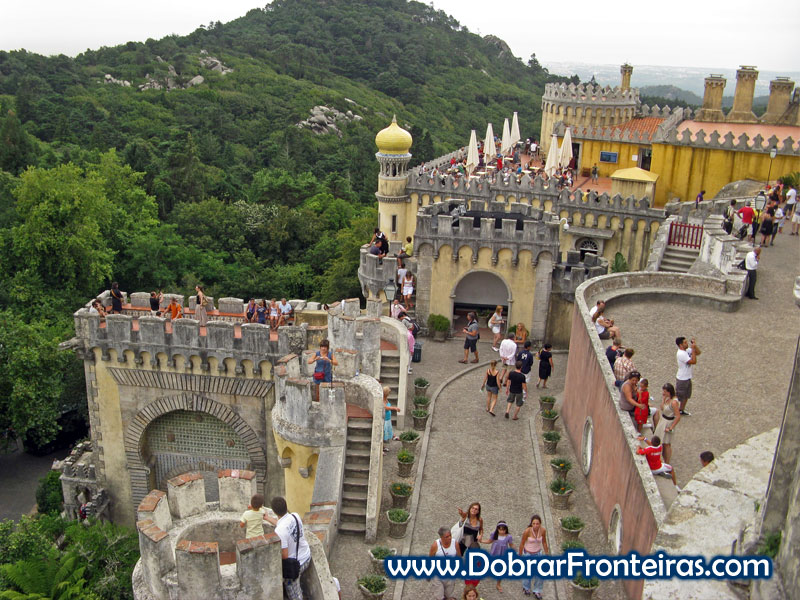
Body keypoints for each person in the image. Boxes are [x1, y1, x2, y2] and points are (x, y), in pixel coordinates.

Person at [264, 497, 311, 599]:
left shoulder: (279, 531)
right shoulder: (295, 516)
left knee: (295, 596)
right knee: (297, 588)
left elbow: (285, 555)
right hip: (306, 555)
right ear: (286, 506)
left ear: (274, 512)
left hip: (296, 565)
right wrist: (267, 518)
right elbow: (283, 525)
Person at [519, 514, 549, 598]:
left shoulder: (543, 530)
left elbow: (544, 542)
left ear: (540, 524)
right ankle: (526, 588)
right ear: (531, 524)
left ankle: (537, 590)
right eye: (534, 523)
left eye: (537, 523)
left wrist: (547, 553)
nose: (535, 525)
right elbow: (522, 543)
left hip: (538, 553)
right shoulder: (527, 531)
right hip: (528, 553)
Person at [653, 382, 681, 466]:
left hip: (668, 423)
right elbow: (662, 408)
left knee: (667, 443)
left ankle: (667, 462)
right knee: (661, 441)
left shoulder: (674, 402)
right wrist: (663, 399)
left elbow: (678, 416)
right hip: (663, 420)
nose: (663, 393)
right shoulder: (666, 399)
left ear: (669, 392)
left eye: (665, 391)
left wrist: (671, 427)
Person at [429, 526, 460, 600]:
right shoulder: (435, 545)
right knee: (440, 596)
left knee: (449, 595)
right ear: (441, 537)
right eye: (447, 537)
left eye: (450, 535)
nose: (449, 538)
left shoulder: (455, 543)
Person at [481, 521, 513, 592]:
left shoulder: (508, 537)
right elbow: (489, 541)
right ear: (497, 529)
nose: (502, 531)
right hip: (494, 553)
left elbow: (511, 545)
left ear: (506, 529)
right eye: (500, 529)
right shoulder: (494, 534)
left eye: (503, 530)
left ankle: (498, 584)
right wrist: (481, 541)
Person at [675, 336, 701, 415]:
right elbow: (693, 361)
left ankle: (681, 410)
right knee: (679, 396)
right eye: (685, 343)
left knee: (686, 395)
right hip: (682, 379)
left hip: (687, 377)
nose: (687, 344)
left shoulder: (687, 350)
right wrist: (692, 349)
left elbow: (698, 353)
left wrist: (694, 346)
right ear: (680, 345)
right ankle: (673, 410)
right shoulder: (681, 354)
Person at [383, 386, 399, 453]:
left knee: (389, 430)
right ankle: (382, 448)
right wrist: (394, 408)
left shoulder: (386, 399)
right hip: (385, 420)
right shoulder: (382, 400)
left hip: (388, 419)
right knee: (383, 434)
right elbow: (386, 407)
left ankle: (393, 436)